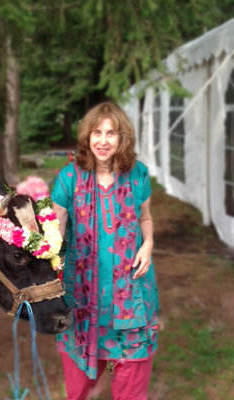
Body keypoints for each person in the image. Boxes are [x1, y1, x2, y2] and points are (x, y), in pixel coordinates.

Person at [52, 101, 159, 400]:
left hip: (132, 298)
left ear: (121, 138)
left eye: (111, 133)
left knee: (132, 390)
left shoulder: (138, 175)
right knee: (79, 391)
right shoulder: (68, 178)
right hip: (82, 298)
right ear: (87, 136)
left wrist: (148, 244)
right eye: (96, 132)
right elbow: (54, 231)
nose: (103, 140)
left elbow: (145, 217)